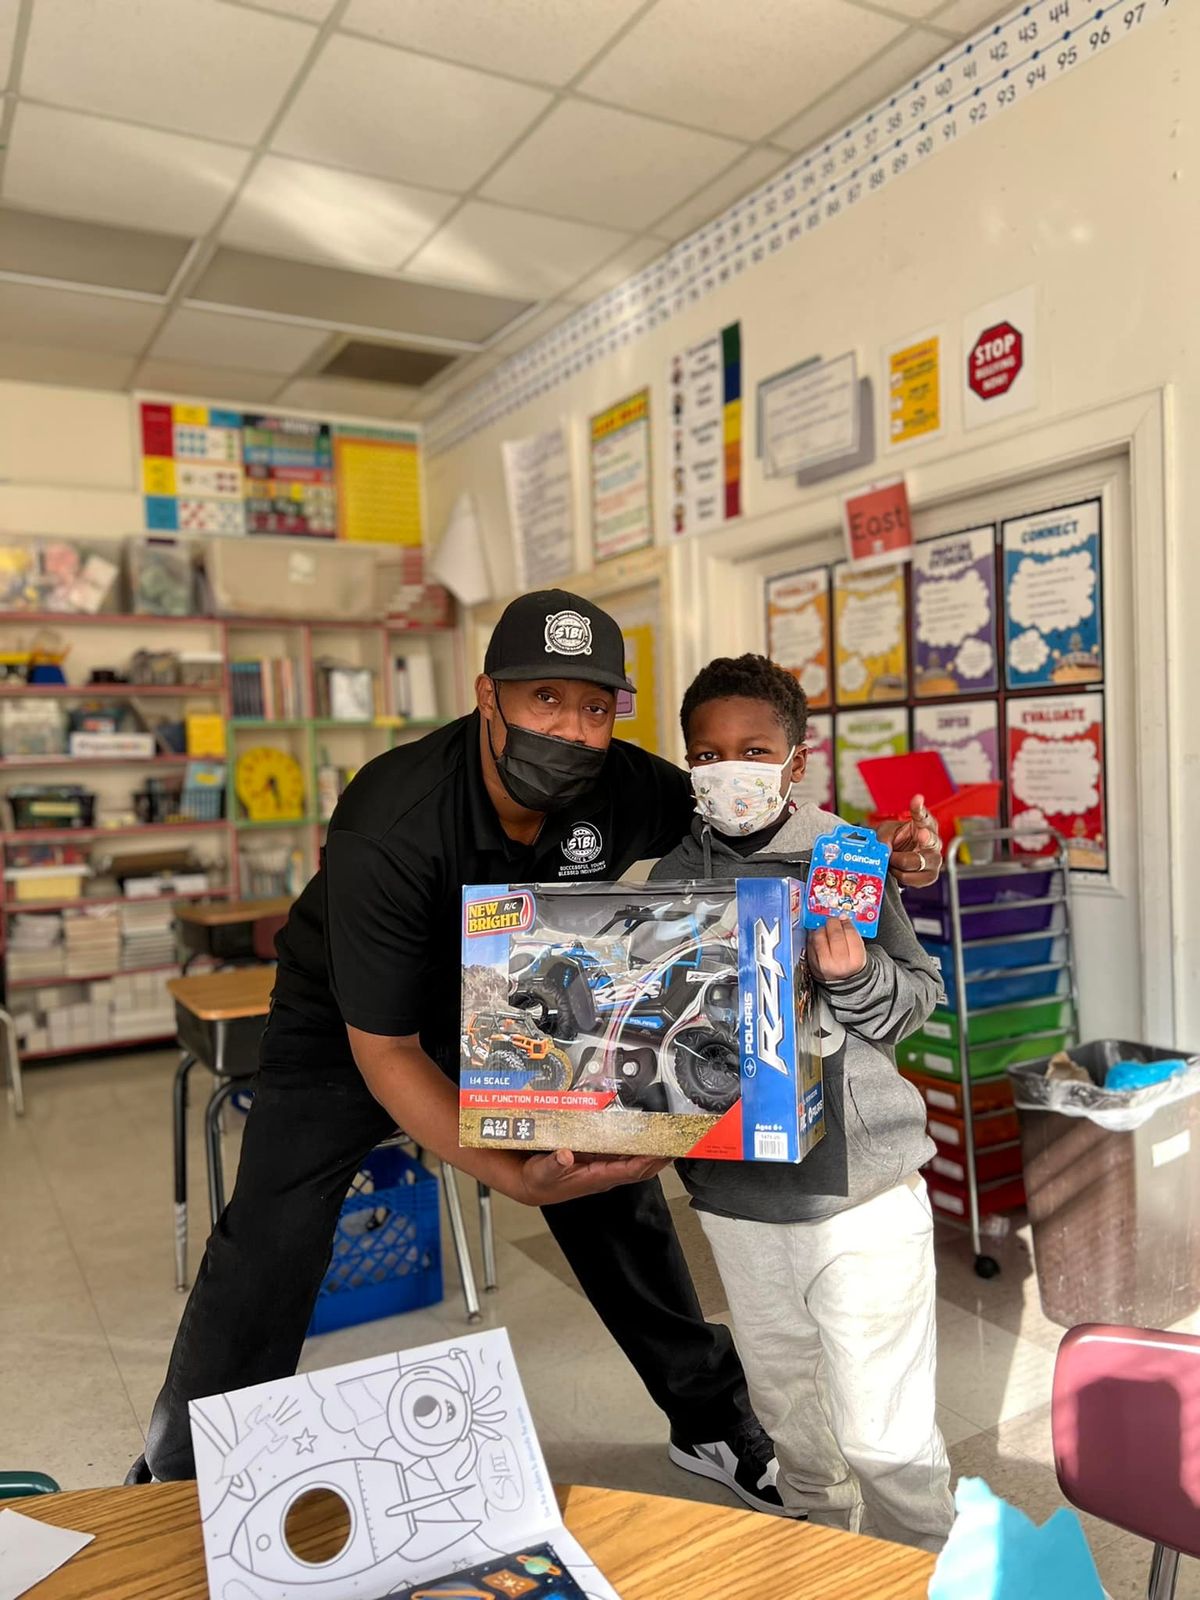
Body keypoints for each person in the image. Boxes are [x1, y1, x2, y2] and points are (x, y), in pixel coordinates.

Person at [132, 591, 943, 1510]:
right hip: (361, 1017)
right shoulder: (391, 818)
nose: (572, 728)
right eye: (544, 698)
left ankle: (712, 1420)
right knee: (273, 1230)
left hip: (529, 1001)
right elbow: (388, 1052)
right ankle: (177, 1477)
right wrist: (509, 1176)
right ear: (489, 697)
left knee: (609, 1184)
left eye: (595, 706)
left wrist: (885, 855)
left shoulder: (628, 784)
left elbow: (755, 817)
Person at [650, 652, 955, 1551]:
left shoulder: (846, 858)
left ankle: (922, 1562)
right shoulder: (668, 880)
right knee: (789, 1412)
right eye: (706, 755)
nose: (729, 771)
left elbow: (916, 999)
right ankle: (820, 1551)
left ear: (796, 759)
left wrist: (853, 977)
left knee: (885, 1431)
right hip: (737, 1198)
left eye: (753, 751)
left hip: (862, 1190)